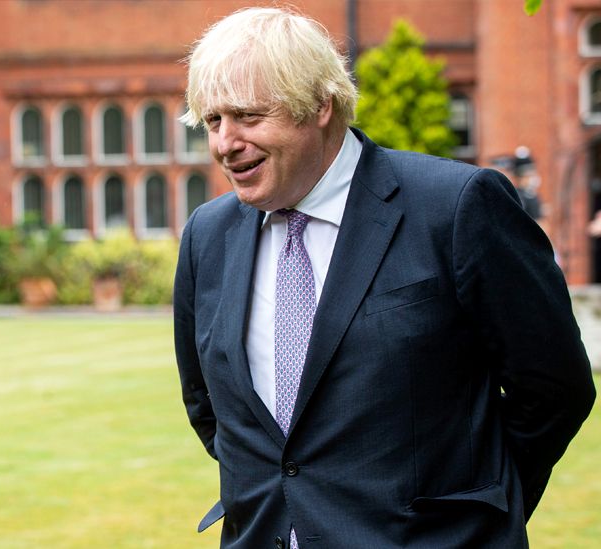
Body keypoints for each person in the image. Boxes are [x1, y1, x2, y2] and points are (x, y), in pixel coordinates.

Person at [173, 7, 595, 548]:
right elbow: (210, 407)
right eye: (212, 121)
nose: (224, 143)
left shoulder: (455, 207)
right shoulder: (208, 234)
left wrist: (474, 516)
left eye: (249, 117)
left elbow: (555, 388)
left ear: (321, 104)